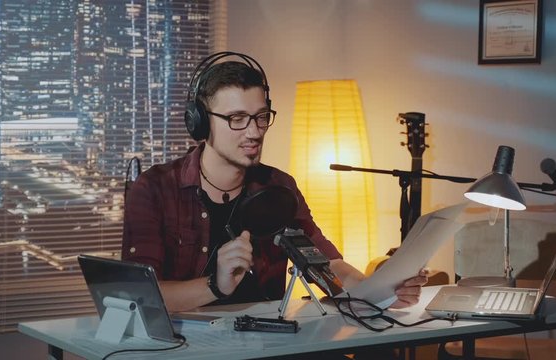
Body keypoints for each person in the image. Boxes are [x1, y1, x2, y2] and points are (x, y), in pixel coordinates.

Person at [121, 52, 428, 313]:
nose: (254, 132)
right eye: (237, 118)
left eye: (261, 116)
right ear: (200, 122)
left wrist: (382, 291)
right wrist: (216, 285)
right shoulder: (154, 189)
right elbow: (138, 296)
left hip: (269, 344)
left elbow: (326, 265)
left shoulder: (279, 187)